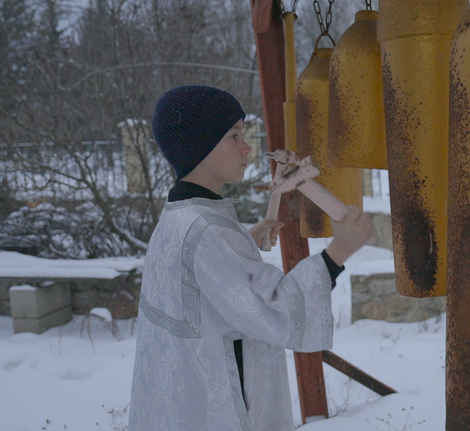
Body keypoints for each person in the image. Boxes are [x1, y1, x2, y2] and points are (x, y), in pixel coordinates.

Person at [128, 85, 375, 430]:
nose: (247, 147)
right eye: (233, 136)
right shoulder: (205, 231)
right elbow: (272, 312)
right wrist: (337, 253)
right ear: (200, 144)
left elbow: (204, 287)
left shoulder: (180, 215)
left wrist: (243, 240)